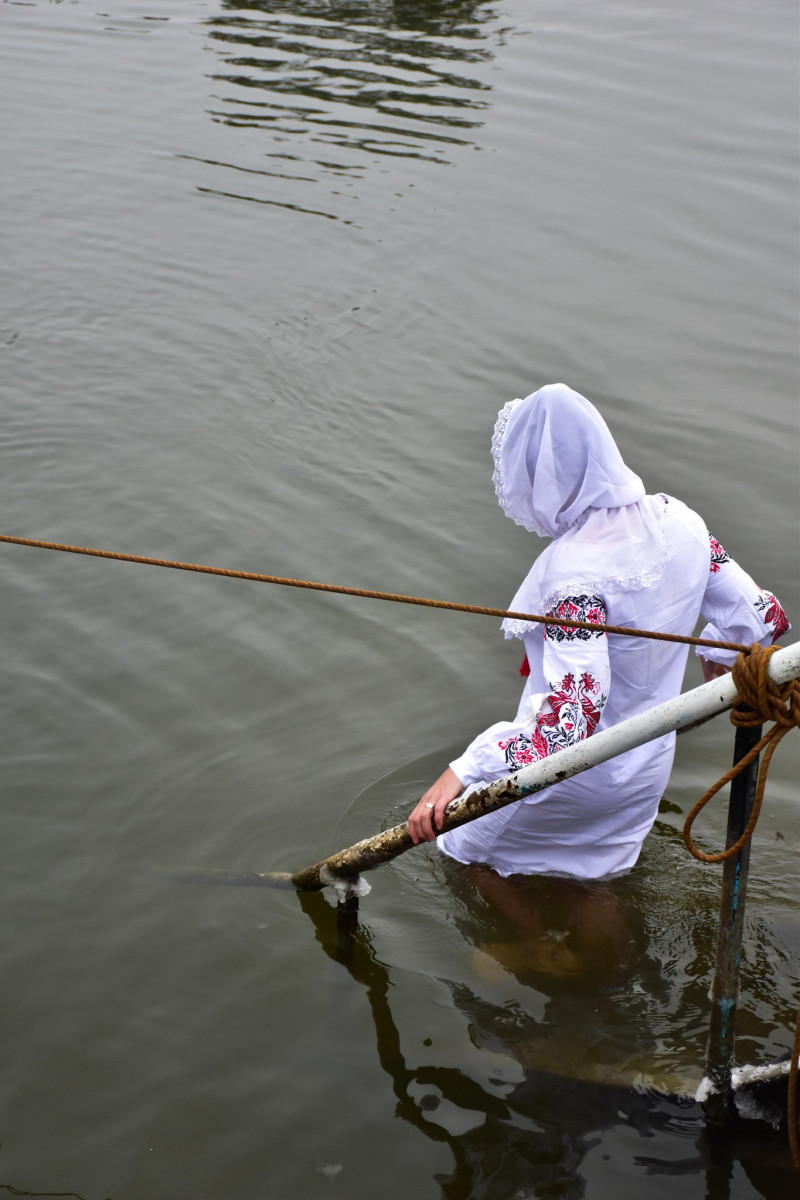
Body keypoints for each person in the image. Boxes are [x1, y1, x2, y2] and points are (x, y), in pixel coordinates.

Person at [408, 383, 790, 878]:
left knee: (468, 859)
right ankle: (582, 952)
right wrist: (714, 665)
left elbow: (571, 724)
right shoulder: (681, 520)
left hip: (570, 777)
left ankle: (515, 953)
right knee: (592, 884)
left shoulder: (574, 571)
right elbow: (763, 617)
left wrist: (464, 768)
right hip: (644, 770)